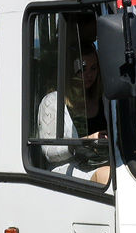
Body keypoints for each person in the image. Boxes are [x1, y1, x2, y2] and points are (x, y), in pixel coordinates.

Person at [36, 39, 111, 184]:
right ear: (71, 69)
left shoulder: (105, 98)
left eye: (93, 68)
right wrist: (86, 141)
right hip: (72, 171)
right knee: (108, 176)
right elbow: (49, 152)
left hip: (107, 162)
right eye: (82, 69)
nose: (89, 74)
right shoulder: (52, 102)